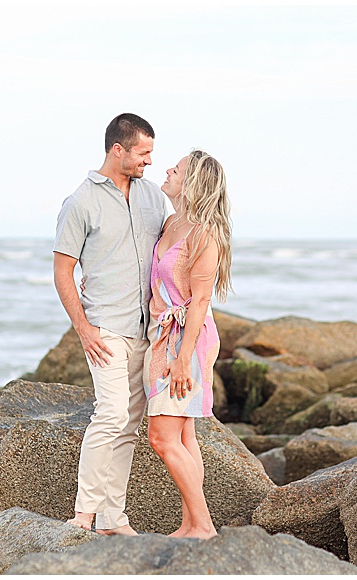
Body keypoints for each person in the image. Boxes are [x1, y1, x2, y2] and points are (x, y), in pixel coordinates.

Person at [53, 113, 167, 536]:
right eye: (143, 152)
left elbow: (173, 250)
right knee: (111, 413)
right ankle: (83, 514)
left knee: (129, 425)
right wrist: (83, 328)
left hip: (146, 329)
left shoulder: (155, 198)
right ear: (117, 150)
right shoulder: (80, 202)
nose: (149, 161)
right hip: (105, 328)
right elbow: (63, 271)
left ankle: (111, 518)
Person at [143, 149, 233, 539]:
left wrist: (182, 360)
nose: (167, 169)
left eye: (175, 169)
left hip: (187, 341)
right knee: (183, 436)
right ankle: (191, 524)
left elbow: (199, 303)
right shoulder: (171, 222)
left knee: (161, 437)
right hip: (163, 336)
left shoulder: (204, 234)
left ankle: (205, 527)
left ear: (191, 181)